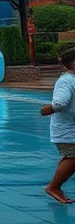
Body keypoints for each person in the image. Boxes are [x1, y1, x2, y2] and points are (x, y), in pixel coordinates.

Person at [41, 46, 75, 203]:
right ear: (72, 63)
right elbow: (61, 102)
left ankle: (55, 186)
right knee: (73, 158)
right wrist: (52, 108)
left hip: (70, 128)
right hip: (67, 130)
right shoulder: (66, 80)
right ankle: (53, 187)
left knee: (71, 158)